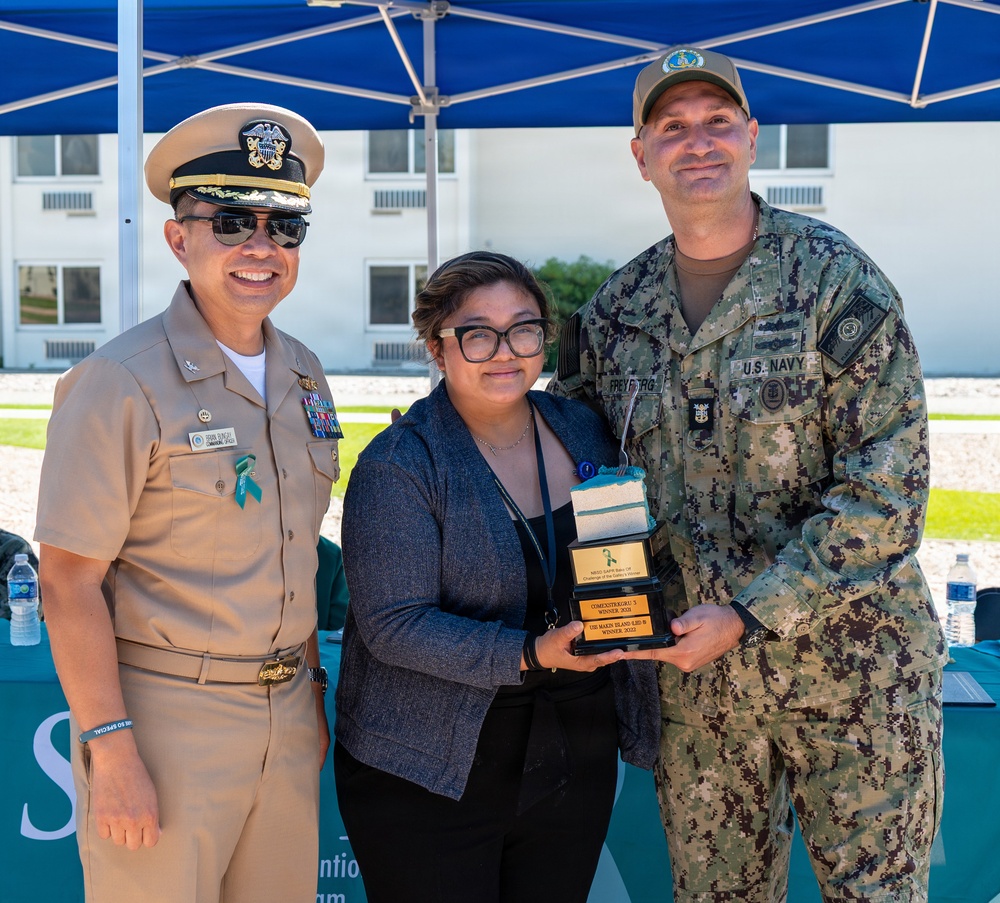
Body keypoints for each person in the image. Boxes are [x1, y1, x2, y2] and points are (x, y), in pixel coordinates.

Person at [549, 47, 948, 903]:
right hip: (701, 699)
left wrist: (749, 612)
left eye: (719, 122)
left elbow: (889, 492)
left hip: (856, 679)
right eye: (673, 127)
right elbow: (578, 477)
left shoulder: (836, 283)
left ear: (753, 137)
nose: (700, 144)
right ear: (640, 153)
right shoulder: (615, 316)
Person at [34, 103, 340, 903]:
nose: (261, 248)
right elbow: (66, 580)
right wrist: (111, 746)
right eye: (232, 222)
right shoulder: (121, 379)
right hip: (166, 719)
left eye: (284, 227)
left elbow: (294, 554)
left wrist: (307, 694)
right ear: (180, 237)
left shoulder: (305, 373)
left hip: (284, 713)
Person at [334, 251, 660, 903]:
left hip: (573, 750)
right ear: (438, 346)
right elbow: (394, 626)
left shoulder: (584, 431)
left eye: (524, 328)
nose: (504, 350)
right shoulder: (400, 464)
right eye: (477, 332)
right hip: (430, 768)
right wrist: (528, 651)